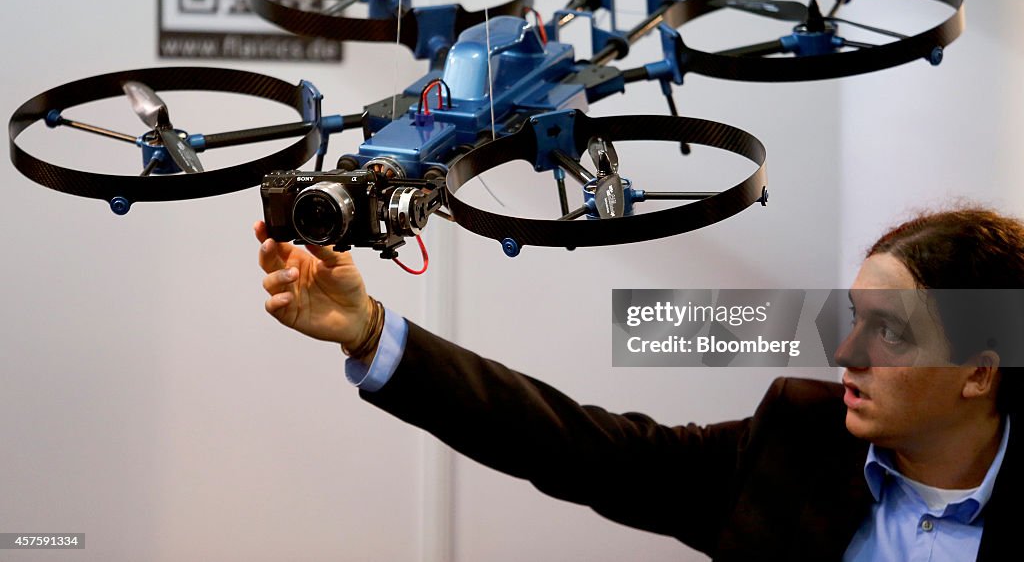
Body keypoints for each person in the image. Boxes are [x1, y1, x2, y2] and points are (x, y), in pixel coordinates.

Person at [254, 207, 1023, 561]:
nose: (847, 349)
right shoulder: (798, 440)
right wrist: (369, 332)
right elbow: (580, 447)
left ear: (981, 371)